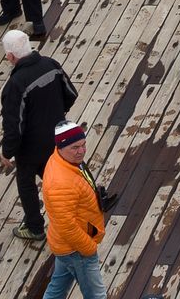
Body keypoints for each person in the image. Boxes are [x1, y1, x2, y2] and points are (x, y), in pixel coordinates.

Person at [0, 29, 76, 243]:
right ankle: (82, 208)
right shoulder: (51, 65)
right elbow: (71, 94)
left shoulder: (15, 85)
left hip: (30, 148)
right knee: (62, 176)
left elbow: (14, 125)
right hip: (57, 137)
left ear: (10, 56)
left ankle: (35, 228)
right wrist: (58, 113)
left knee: (26, 183)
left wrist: (7, 152)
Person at [41, 121, 108, 298]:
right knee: (96, 295)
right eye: (75, 147)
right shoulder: (60, 183)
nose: (81, 151)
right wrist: (89, 248)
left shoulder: (64, 160)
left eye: (83, 145)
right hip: (76, 248)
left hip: (66, 244)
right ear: (61, 147)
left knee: (57, 290)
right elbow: (67, 227)